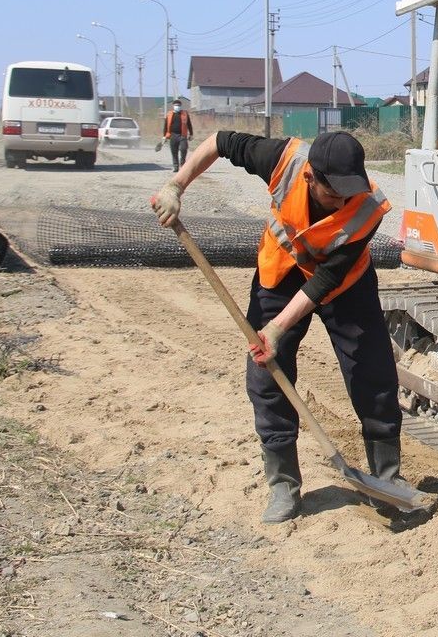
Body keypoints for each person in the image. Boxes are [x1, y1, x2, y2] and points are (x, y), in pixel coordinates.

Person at [150, 130, 406, 524]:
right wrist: (175, 184)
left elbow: (324, 282)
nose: (341, 201)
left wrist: (277, 327)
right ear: (310, 177)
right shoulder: (282, 161)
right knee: (268, 376)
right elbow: (219, 141)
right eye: (332, 193)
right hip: (281, 272)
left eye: (347, 192)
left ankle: (387, 480)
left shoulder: (368, 207)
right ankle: (284, 485)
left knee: (373, 374)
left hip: (345, 283)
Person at [163, 99, 194, 172]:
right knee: (174, 152)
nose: (177, 107)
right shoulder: (169, 114)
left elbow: (189, 124)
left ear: (181, 106)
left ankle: (182, 163)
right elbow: (165, 126)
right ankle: (176, 167)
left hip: (182, 135)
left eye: (179, 105)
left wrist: (191, 134)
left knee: (184, 149)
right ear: (173, 106)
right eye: (176, 105)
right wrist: (164, 136)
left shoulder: (184, 114)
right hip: (172, 135)